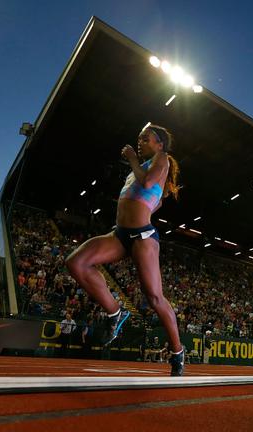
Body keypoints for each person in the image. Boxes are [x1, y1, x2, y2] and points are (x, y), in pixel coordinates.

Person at [66, 124, 184, 376]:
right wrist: (149, 201)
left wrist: (131, 157)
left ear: (159, 144)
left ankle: (177, 351)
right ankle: (115, 311)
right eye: (139, 139)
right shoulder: (140, 169)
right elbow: (154, 196)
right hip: (120, 234)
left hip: (142, 237)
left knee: (154, 297)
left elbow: (149, 181)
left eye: (146, 139)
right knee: (76, 262)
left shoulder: (161, 159)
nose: (140, 142)